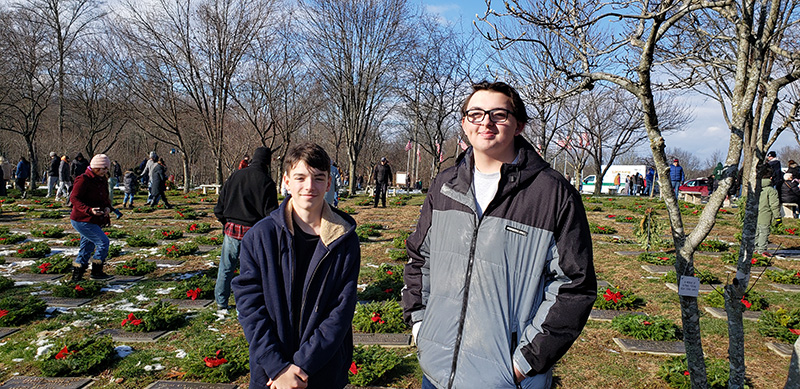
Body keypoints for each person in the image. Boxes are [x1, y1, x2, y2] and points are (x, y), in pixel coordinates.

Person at [402, 81, 596, 388]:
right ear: (465, 123)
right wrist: (420, 325)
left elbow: (574, 285)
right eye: (476, 114)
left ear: (519, 125)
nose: (486, 122)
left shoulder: (552, 193)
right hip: (436, 372)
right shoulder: (445, 186)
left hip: (509, 378)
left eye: (499, 114)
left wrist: (524, 362)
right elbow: (419, 258)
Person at [232, 142, 360, 389]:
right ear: (286, 181)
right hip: (270, 374)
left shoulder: (345, 239)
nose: (309, 186)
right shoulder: (260, 237)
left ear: (329, 184)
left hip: (323, 370)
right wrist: (278, 368)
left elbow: (340, 312)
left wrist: (302, 367)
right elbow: (250, 307)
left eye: (318, 178)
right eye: (300, 177)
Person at [213, 147, 278, 311]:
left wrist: (225, 221)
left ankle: (221, 302)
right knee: (252, 272)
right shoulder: (267, 182)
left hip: (232, 229)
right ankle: (249, 304)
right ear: (267, 162)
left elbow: (220, 205)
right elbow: (271, 215)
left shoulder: (236, 175)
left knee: (226, 268)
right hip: (254, 233)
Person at [69, 154, 114, 281]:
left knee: (86, 247)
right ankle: (96, 272)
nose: (105, 171)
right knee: (103, 242)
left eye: (106, 169)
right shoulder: (83, 179)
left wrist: (107, 208)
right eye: (103, 168)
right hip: (81, 219)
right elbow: (74, 198)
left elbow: (104, 198)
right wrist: (88, 210)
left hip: (94, 219)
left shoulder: (102, 179)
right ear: (96, 167)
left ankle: (77, 276)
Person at [756, 165, 781, 254]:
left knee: (756, 232)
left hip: (755, 214)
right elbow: (774, 205)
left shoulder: (755, 188)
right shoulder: (771, 190)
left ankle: (754, 249)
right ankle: (761, 251)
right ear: (770, 177)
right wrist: (778, 217)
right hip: (765, 214)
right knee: (764, 232)